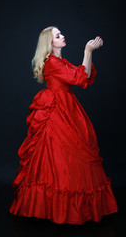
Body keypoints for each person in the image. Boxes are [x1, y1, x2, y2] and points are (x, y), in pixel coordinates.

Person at [9, 26, 118, 225]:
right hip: (56, 110)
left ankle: (68, 208)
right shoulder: (51, 63)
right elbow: (80, 78)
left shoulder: (59, 61)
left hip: (67, 108)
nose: (63, 36)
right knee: (59, 156)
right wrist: (87, 51)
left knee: (72, 153)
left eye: (61, 33)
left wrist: (88, 54)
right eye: (57, 35)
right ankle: (58, 208)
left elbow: (83, 77)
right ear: (49, 43)